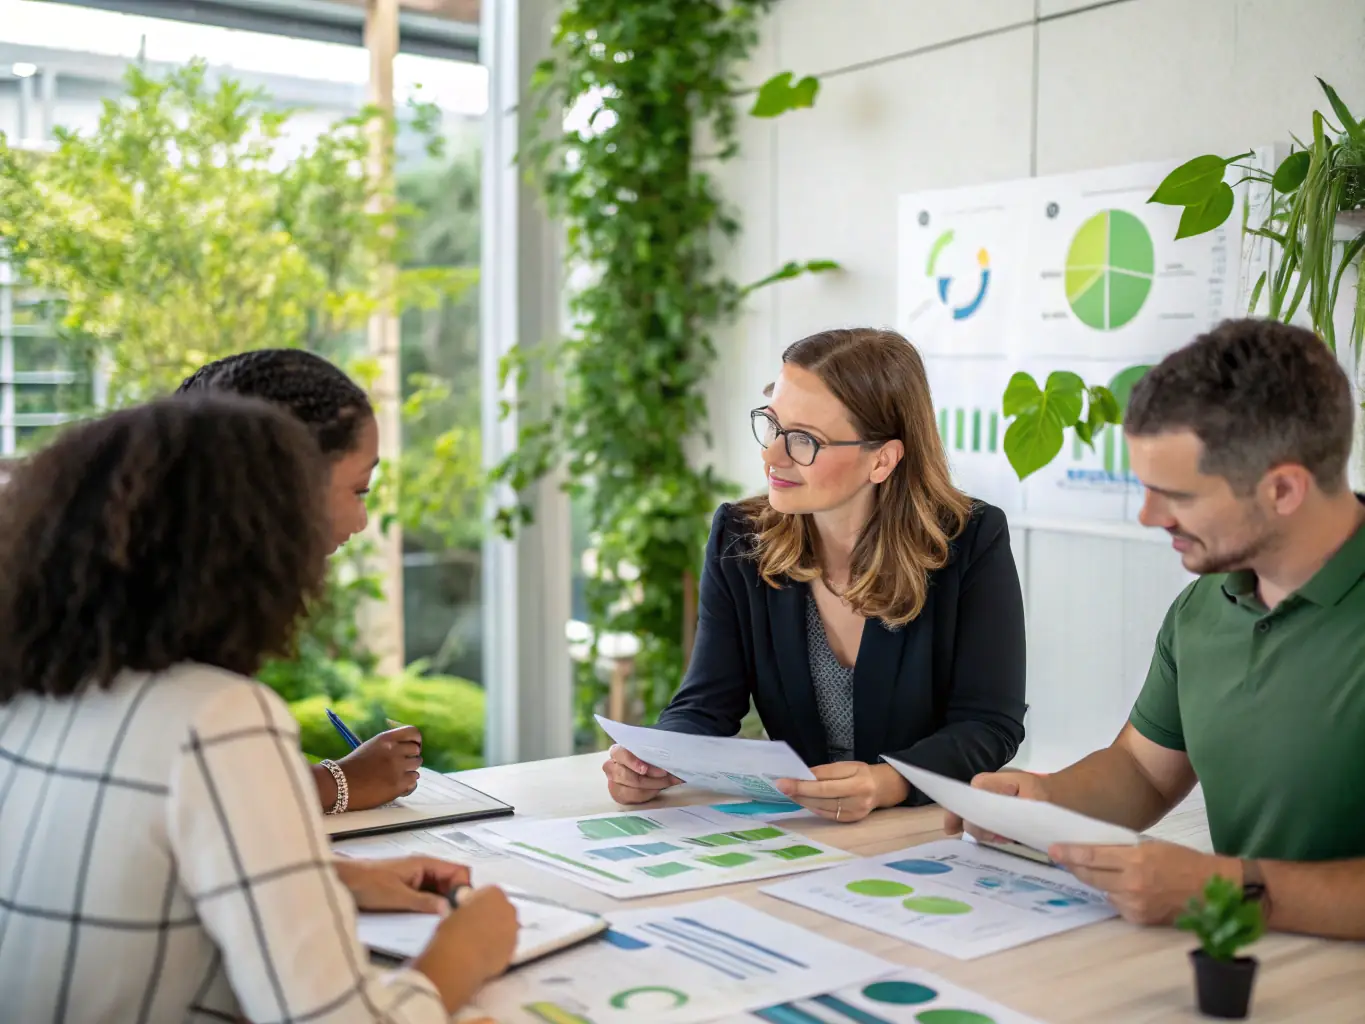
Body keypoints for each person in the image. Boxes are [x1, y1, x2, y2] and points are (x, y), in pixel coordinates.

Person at [0, 395, 516, 1022]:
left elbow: (128, 881)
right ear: (254, 547)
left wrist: (334, 880)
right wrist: (461, 955)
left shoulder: (37, 696)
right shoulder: (216, 717)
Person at [947, 318, 1365, 940]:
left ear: (1282, 490)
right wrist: (1044, 802)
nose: (1149, 516)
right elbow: (1143, 772)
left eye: (1176, 495)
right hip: (1240, 970)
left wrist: (1234, 891)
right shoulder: (1204, 605)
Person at [604, 327, 1027, 822]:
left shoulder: (970, 540)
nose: (771, 456)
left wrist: (888, 782)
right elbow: (706, 704)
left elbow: (988, 726)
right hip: (798, 830)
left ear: (883, 459)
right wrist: (655, 759)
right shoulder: (741, 536)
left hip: (923, 829)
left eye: (804, 440)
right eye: (773, 425)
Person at [177, 348, 419, 815]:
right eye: (358, 490)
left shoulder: (137, 617)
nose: (361, 520)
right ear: (281, 488)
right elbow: (213, 808)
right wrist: (338, 783)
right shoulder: (197, 683)